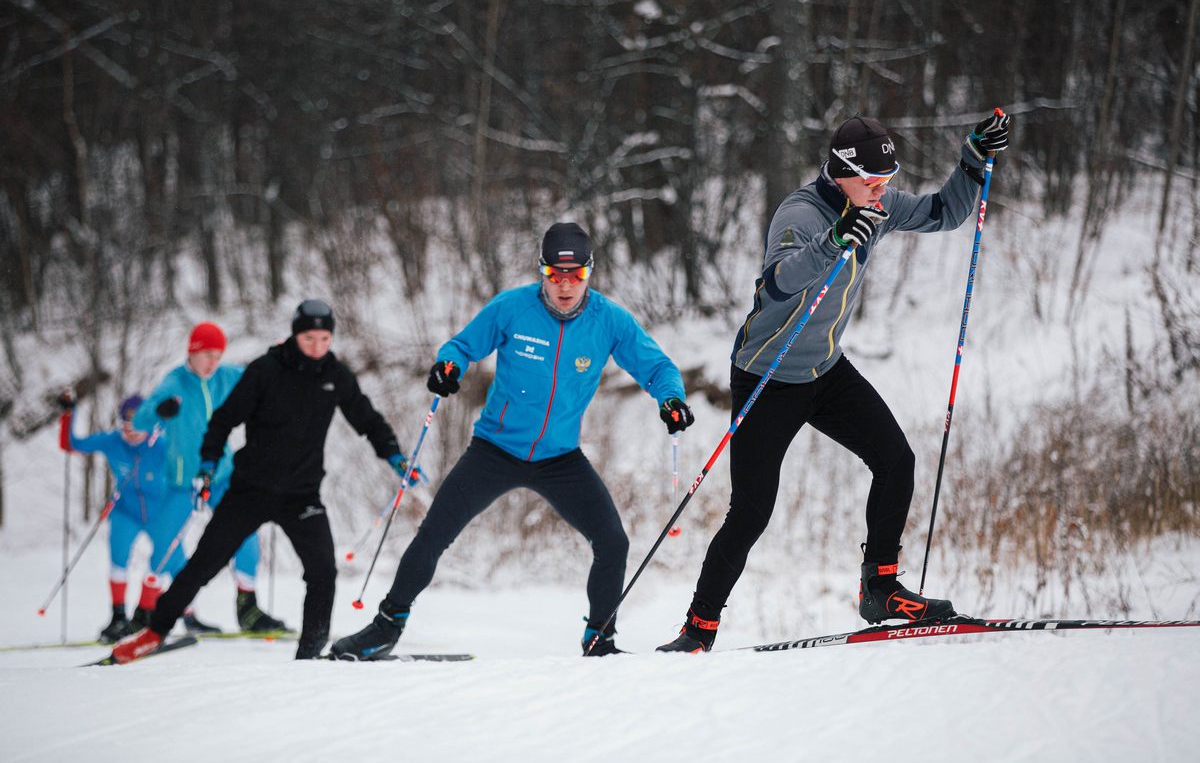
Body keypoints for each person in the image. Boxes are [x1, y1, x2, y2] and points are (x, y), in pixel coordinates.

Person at [657, 111, 1011, 653]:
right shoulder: (799, 213)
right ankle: (697, 630)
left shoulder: (879, 204)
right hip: (769, 375)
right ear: (840, 171)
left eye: (886, 182)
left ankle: (880, 588)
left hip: (825, 368)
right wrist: (834, 239)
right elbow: (778, 282)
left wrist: (973, 160)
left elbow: (943, 212)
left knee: (897, 461)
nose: (881, 191)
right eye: (870, 181)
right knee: (752, 511)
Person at [330, 222, 694, 661]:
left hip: (560, 459)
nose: (564, 286)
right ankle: (384, 628)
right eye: (555, 275)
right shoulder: (512, 308)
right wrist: (448, 367)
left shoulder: (609, 320)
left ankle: (599, 638)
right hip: (495, 451)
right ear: (541, 272)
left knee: (612, 541)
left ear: (589, 273)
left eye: (575, 275)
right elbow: (462, 347)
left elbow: (657, 367)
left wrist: (671, 398)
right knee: (434, 534)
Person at [111, 299, 411, 661]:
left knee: (323, 572)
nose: (317, 347)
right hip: (249, 491)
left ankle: (310, 652)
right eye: (310, 338)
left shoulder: (336, 376)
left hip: (302, 495)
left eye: (324, 339)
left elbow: (367, 420)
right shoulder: (265, 371)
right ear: (295, 334)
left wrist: (393, 454)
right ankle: (154, 631)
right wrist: (207, 465)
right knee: (203, 564)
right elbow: (222, 421)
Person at [131, 321, 286, 634]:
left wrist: (280, 358)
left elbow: (260, 378)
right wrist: (160, 410)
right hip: (183, 481)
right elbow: (141, 419)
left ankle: (248, 609)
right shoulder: (174, 382)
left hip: (222, 475)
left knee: (244, 533)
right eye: (207, 355)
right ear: (192, 352)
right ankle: (181, 610)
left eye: (218, 355)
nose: (213, 362)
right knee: (165, 542)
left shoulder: (225, 377)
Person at [58, 392, 181, 642]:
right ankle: (117, 618)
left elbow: (190, 447)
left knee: (165, 563)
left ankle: (150, 613)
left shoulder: (162, 444)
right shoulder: (112, 441)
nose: (131, 433)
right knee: (118, 561)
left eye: (138, 428)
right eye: (126, 427)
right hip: (126, 510)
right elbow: (71, 445)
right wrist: (69, 414)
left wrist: (174, 415)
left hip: (160, 513)